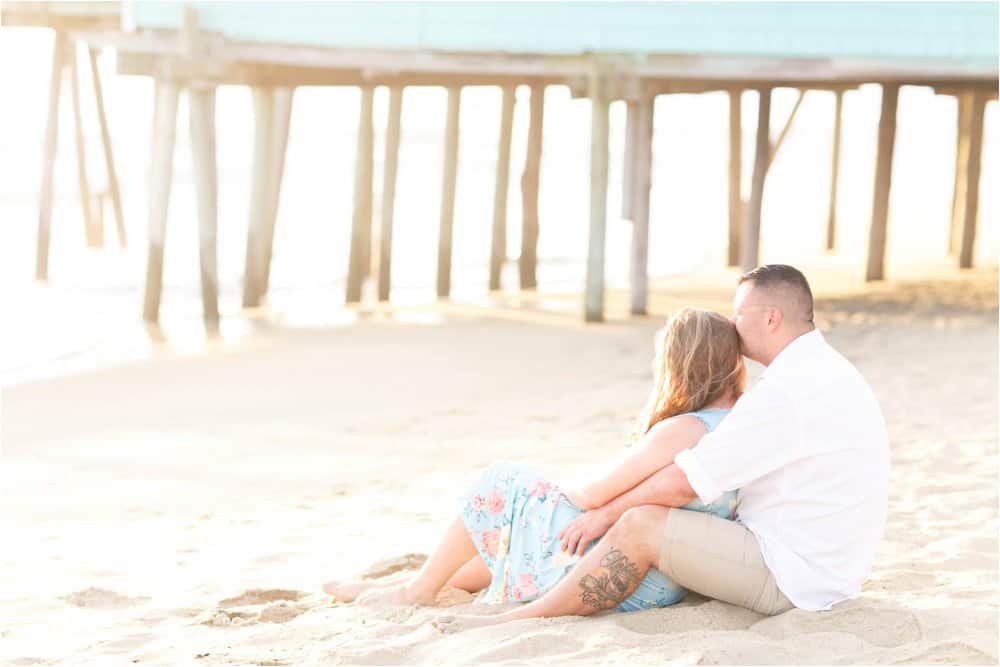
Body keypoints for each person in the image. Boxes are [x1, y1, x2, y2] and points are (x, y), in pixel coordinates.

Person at [434, 264, 890, 632]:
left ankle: (524, 618)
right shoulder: (824, 371)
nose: (731, 323)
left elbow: (684, 480)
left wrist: (604, 513)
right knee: (639, 522)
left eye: (739, 313)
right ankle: (456, 583)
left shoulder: (787, 391)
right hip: (824, 567)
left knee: (641, 524)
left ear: (770, 318)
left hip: (794, 576)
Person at [322, 308, 746, 611]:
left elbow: (594, 493)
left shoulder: (686, 427)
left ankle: (417, 590)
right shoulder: (739, 425)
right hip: (662, 579)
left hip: (628, 574)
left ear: (679, 365)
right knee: (524, 531)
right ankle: (408, 582)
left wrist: (563, 488)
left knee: (502, 483)